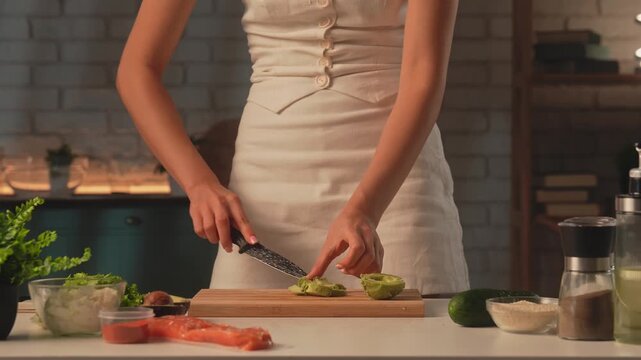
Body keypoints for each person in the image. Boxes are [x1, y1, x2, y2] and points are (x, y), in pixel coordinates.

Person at [116, 0, 469, 295]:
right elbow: (137, 70)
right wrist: (198, 184)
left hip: (396, 189)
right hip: (267, 188)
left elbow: (423, 78)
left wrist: (365, 209)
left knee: (409, 341)